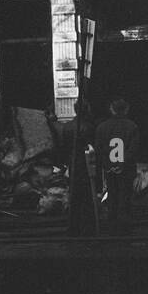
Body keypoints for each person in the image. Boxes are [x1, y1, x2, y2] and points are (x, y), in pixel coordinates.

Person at [50, 98, 97, 236]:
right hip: (86, 164)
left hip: (73, 163)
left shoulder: (68, 127)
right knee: (88, 196)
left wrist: (64, 163)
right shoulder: (89, 127)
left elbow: (63, 147)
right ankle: (88, 226)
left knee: (74, 195)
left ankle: (74, 226)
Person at [95, 97, 139, 233]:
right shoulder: (132, 126)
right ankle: (125, 225)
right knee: (125, 195)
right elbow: (133, 149)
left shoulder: (102, 127)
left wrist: (107, 164)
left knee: (112, 194)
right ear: (126, 109)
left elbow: (99, 149)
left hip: (109, 167)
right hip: (126, 168)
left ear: (111, 109)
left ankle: (112, 223)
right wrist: (123, 163)